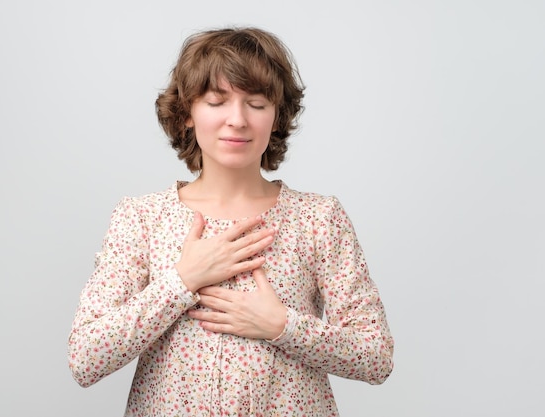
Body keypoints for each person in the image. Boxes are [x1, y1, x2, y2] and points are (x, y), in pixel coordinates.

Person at [68, 26, 393, 416]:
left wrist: (283, 326)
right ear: (187, 113)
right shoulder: (142, 218)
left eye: (256, 103)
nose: (237, 120)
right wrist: (182, 281)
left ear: (277, 116)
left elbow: (376, 357)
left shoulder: (318, 219)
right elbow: (85, 359)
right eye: (216, 101)